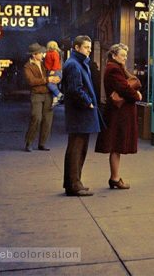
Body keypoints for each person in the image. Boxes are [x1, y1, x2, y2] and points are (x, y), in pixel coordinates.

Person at [94, 42, 142, 188]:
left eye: (126, 55)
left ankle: (115, 177)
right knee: (116, 145)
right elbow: (124, 88)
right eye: (122, 55)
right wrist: (137, 95)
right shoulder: (114, 69)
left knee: (116, 145)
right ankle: (114, 178)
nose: (125, 58)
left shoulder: (113, 67)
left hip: (118, 112)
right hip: (118, 114)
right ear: (114, 55)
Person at [61, 35, 102, 196]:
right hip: (79, 114)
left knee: (78, 149)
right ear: (77, 48)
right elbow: (74, 89)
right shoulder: (74, 65)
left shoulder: (77, 63)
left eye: (90, 48)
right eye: (86, 47)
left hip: (80, 114)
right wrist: (88, 102)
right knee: (77, 150)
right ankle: (74, 184)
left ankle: (73, 183)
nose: (89, 50)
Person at [22, 42, 55, 151]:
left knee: (47, 119)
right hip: (36, 94)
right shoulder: (27, 66)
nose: (42, 55)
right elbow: (31, 81)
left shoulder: (44, 64)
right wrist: (46, 80)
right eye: (40, 53)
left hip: (47, 94)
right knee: (36, 117)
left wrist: (54, 78)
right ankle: (29, 142)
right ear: (34, 54)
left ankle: (42, 143)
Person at [44, 40, 63, 107]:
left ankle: (59, 95)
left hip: (55, 71)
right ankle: (55, 100)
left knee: (50, 84)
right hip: (52, 71)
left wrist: (53, 70)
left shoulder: (54, 53)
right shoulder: (48, 53)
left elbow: (56, 62)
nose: (52, 47)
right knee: (53, 85)